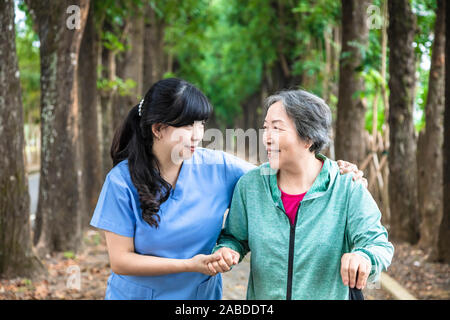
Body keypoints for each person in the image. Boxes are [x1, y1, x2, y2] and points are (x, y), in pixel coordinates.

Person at [90, 78, 367, 300]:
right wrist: (189, 265)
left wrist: (333, 169)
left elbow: (278, 176)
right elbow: (121, 261)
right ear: (158, 129)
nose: (198, 134)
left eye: (201, 123)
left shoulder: (219, 167)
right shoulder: (120, 182)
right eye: (187, 125)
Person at [209, 89, 394, 300]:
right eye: (265, 128)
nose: (266, 138)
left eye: (276, 128)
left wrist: (364, 257)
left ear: (308, 137)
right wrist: (226, 250)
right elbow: (235, 237)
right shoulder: (251, 185)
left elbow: (378, 242)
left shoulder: (346, 187)